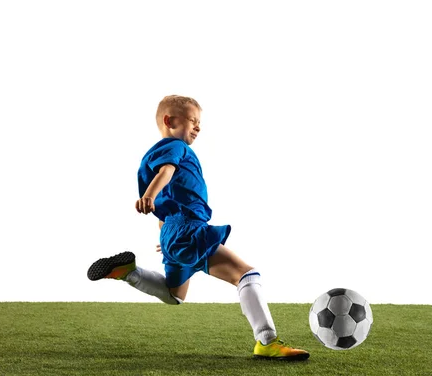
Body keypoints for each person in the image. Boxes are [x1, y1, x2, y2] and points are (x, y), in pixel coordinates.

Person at [87, 95, 309, 361]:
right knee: (247, 275)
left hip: (174, 231)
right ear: (169, 121)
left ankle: (128, 272)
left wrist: (169, 237)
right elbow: (165, 173)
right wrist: (148, 195)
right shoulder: (175, 148)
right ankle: (267, 341)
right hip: (189, 230)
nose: (198, 127)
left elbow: (166, 204)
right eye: (192, 120)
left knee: (174, 295)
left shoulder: (152, 154)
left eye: (199, 122)